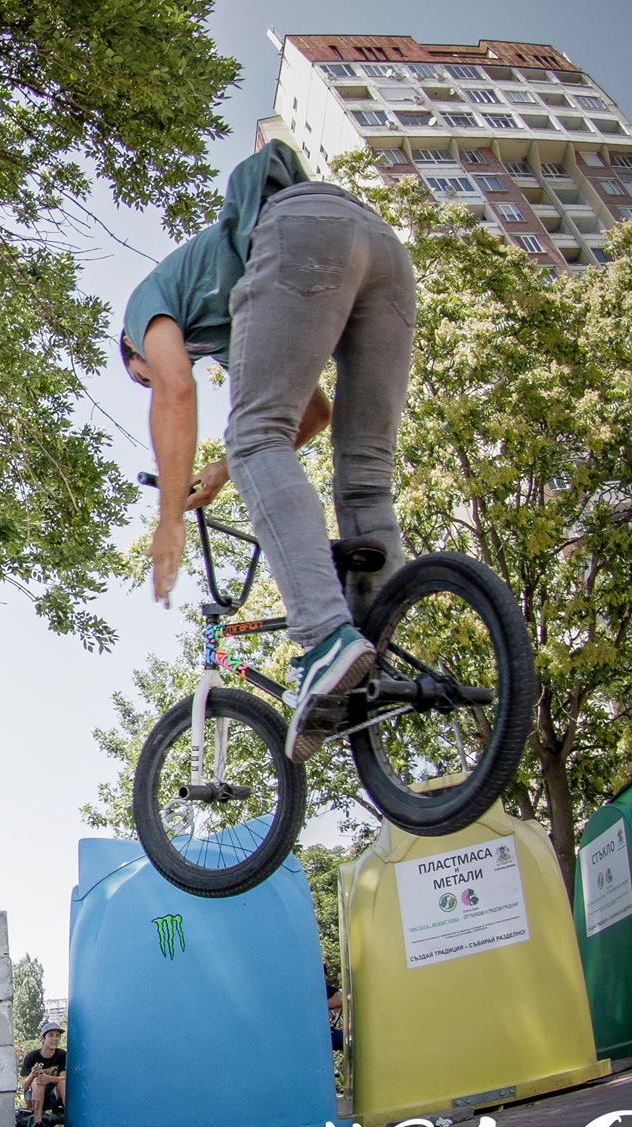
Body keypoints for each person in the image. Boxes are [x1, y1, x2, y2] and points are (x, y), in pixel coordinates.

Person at [121, 138, 416, 762]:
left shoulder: (146, 306)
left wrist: (170, 516)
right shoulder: (229, 330)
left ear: (133, 347)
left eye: (137, 371)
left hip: (301, 234)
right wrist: (224, 472)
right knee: (364, 476)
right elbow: (314, 415)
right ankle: (372, 657)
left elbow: (175, 390)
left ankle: (325, 639)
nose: (155, 370)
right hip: (383, 252)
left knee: (253, 434)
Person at [19, 1022, 67, 1127]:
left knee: (63, 1083)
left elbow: (64, 1077)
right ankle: (38, 1123)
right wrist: (32, 1074)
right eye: (51, 1035)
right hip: (33, 1096)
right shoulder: (31, 1056)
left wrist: (49, 1078)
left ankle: (71, 1118)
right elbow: (24, 1085)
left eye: (57, 1036)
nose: (55, 1039)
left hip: (53, 1096)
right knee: (38, 1082)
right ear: (43, 1038)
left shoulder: (62, 1054)